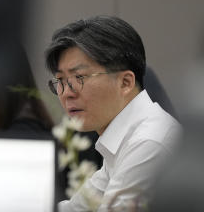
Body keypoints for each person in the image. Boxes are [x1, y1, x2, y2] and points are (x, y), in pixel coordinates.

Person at [44, 15, 181, 211]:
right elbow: (77, 208)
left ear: (125, 82)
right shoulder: (126, 137)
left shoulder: (149, 142)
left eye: (79, 77)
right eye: (60, 81)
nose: (66, 93)